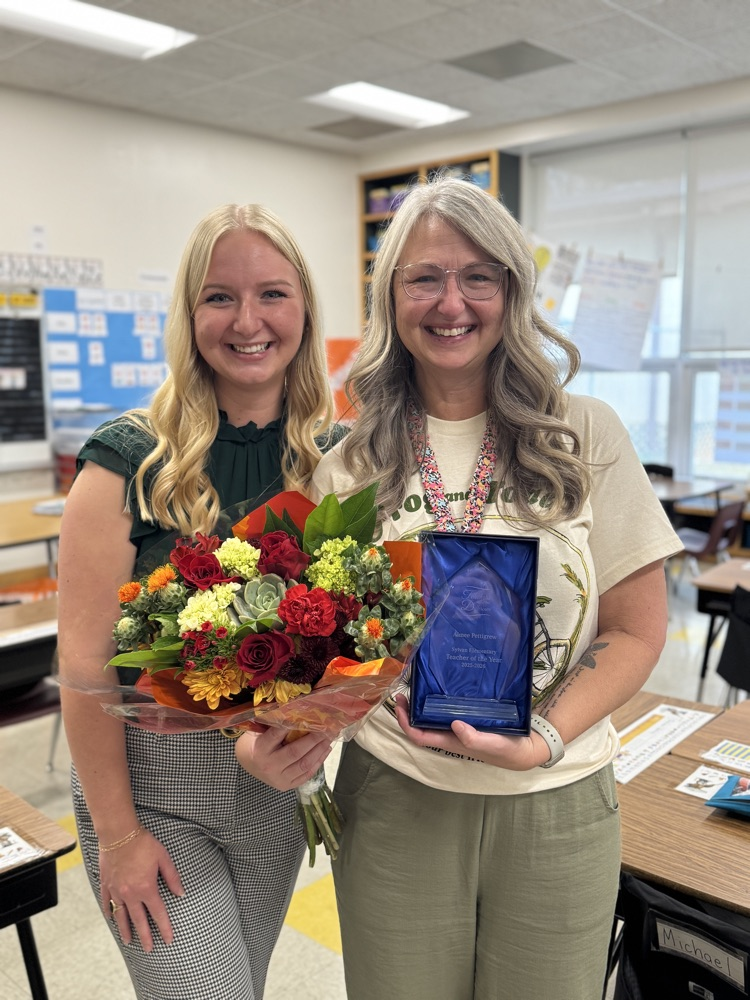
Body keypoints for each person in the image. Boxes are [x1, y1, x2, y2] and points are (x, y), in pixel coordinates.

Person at [311, 175, 682, 1000]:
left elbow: (635, 629)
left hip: (556, 798)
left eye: (479, 275)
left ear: (512, 290)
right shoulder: (350, 462)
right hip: (395, 794)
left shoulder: (583, 433)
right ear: (390, 297)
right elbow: (328, 648)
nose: (453, 302)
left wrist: (542, 738)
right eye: (425, 277)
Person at [58, 203, 339, 999]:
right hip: (150, 796)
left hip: (278, 796)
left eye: (272, 295)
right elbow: (82, 671)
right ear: (188, 315)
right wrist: (117, 837)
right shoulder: (126, 462)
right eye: (219, 297)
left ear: (305, 309)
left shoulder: (332, 460)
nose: (247, 321)